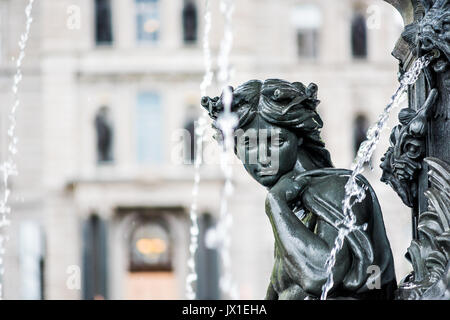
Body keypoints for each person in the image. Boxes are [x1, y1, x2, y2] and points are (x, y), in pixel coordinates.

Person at [201, 79, 397, 299]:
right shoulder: (297, 201)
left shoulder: (338, 188)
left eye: (275, 141)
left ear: (299, 138)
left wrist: (275, 204)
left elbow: (322, 276)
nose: (263, 158)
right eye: (248, 144)